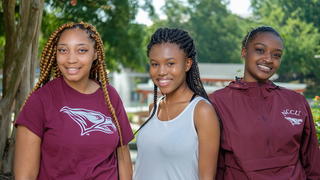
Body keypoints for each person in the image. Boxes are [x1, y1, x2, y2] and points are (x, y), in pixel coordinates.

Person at [14, 22, 134, 180]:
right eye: (63, 50)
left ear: (95, 54)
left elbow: (123, 156)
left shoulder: (110, 96)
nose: (71, 59)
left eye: (82, 50)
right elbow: (25, 175)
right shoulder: (41, 100)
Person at [209, 26, 320, 179]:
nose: (268, 59)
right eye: (260, 50)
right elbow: (212, 166)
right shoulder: (217, 102)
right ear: (244, 51)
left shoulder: (296, 101)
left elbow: (312, 161)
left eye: (276, 55)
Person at [133, 27, 220, 180]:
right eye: (155, 64)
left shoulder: (201, 111)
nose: (161, 72)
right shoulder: (154, 108)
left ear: (187, 64)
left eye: (170, 63)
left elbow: (207, 177)